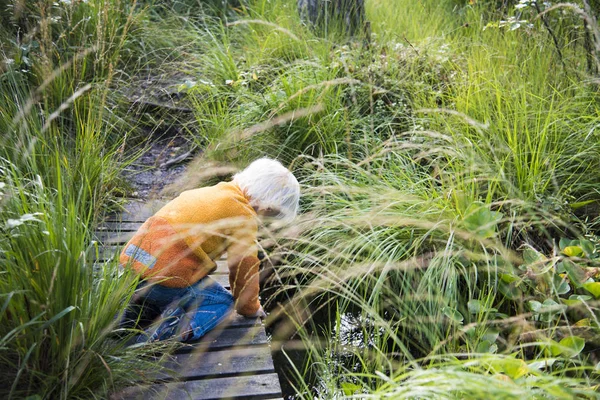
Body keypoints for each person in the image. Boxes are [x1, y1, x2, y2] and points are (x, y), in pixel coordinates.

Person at [119, 158, 300, 342]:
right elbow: (243, 270)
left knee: (165, 280)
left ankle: (135, 314)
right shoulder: (244, 216)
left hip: (132, 263)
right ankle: (166, 334)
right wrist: (250, 308)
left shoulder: (211, 191)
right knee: (223, 302)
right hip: (165, 277)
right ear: (267, 207)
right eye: (270, 217)